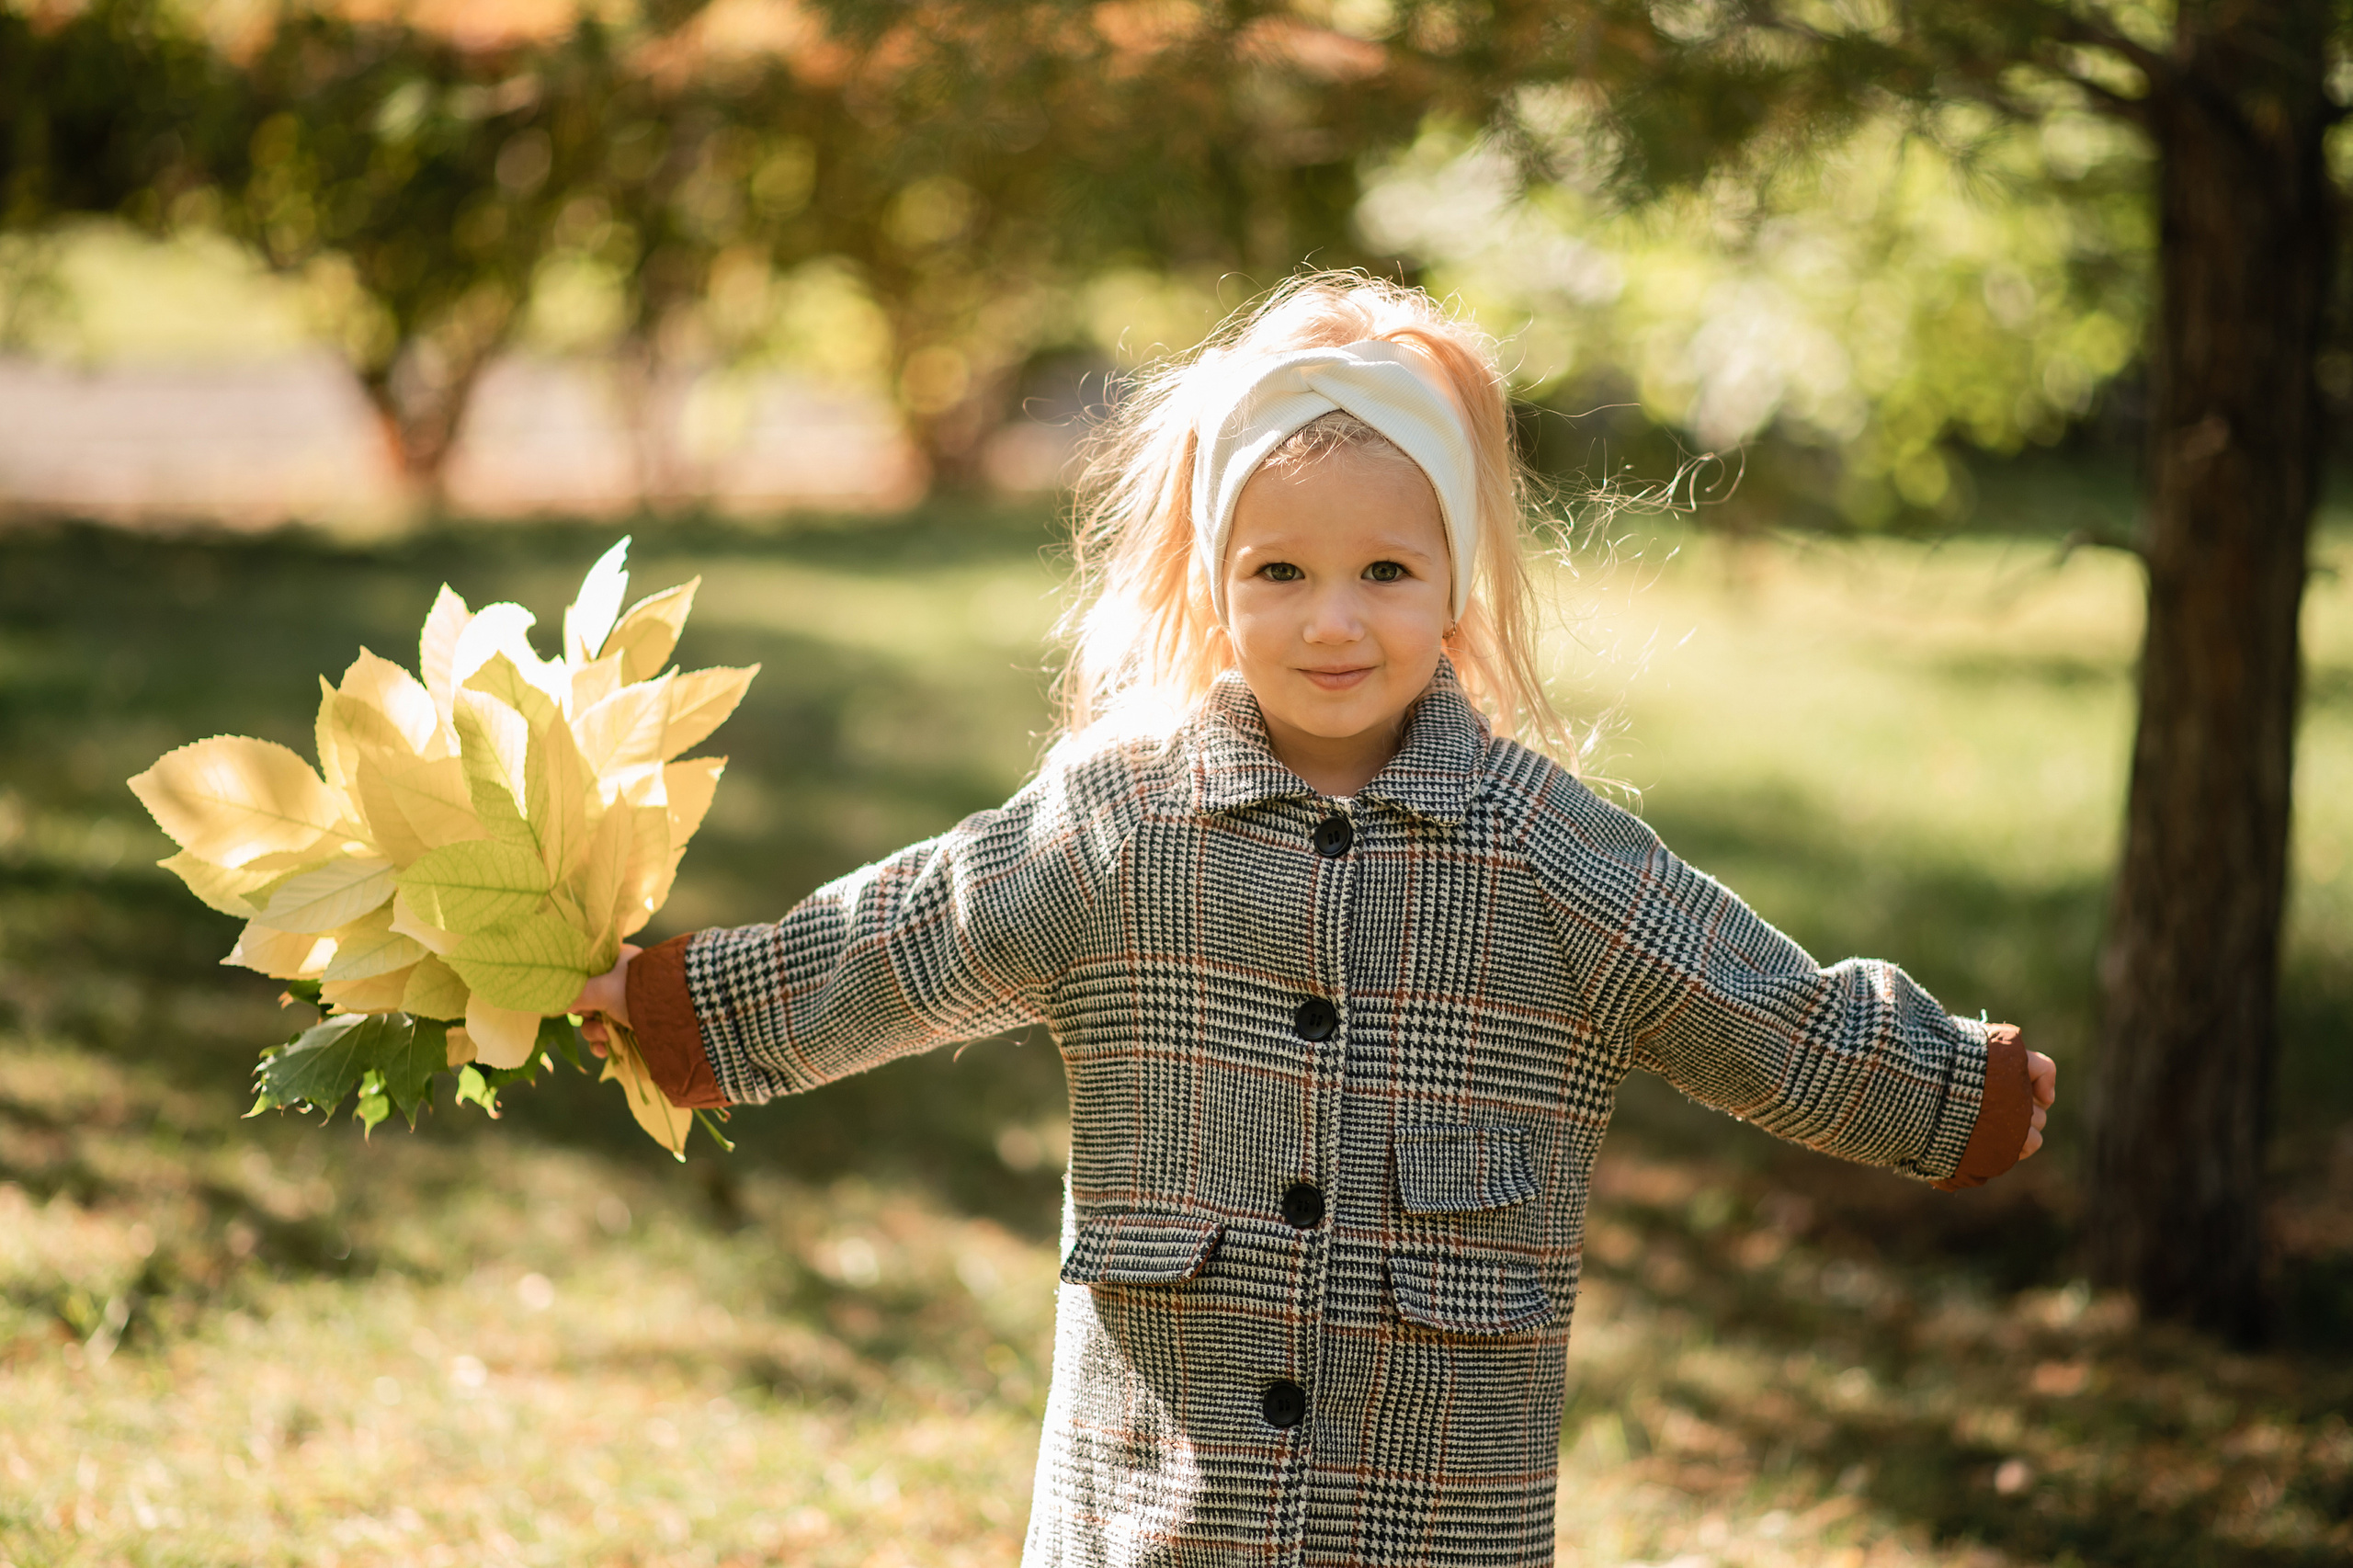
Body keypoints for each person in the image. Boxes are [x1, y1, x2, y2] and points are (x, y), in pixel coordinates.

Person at [570, 273, 2057, 1568]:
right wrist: (690, 1012)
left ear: (1454, 583)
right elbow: (910, 936)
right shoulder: (1118, 827)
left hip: (1434, 1516)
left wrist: (1942, 1089)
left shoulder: (1546, 854)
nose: (1332, 620)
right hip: (1155, 1515)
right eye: (1278, 572)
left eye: (1385, 573)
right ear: (1216, 587)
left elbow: (1746, 999)